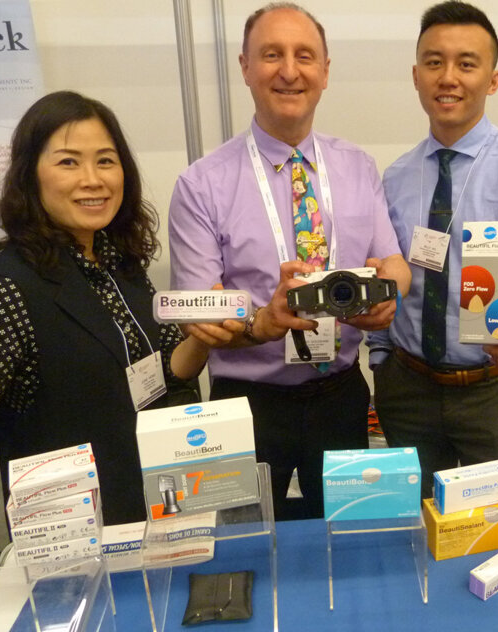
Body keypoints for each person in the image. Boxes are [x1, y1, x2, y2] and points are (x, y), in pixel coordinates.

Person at [0, 91, 213, 568]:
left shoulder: (119, 262)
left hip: (152, 507)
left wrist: (202, 337)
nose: (92, 179)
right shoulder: (8, 289)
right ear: (30, 176)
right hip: (73, 541)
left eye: (106, 161)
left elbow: (163, 370)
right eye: (68, 162)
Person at [168, 3, 410, 520]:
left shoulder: (357, 167)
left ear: (325, 70)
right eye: (271, 55)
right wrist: (261, 323)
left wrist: (388, 295)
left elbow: (393, 261)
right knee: (243, 542)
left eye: (304, 55)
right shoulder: (201, 185)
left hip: (341, 395)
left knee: (347, 534)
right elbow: (201, 315)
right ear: (245, 67)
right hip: (246, 404)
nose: (289, 70)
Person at [367, 1, 498, 497]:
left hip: (494, 389)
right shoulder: (395, 177)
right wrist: (380, 359)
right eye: (434, 62)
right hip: (407, 389)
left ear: (493, 79)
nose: (448, 78)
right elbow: (385, 267)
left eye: (466, 63)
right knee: (416, 522)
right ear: (416, 75)